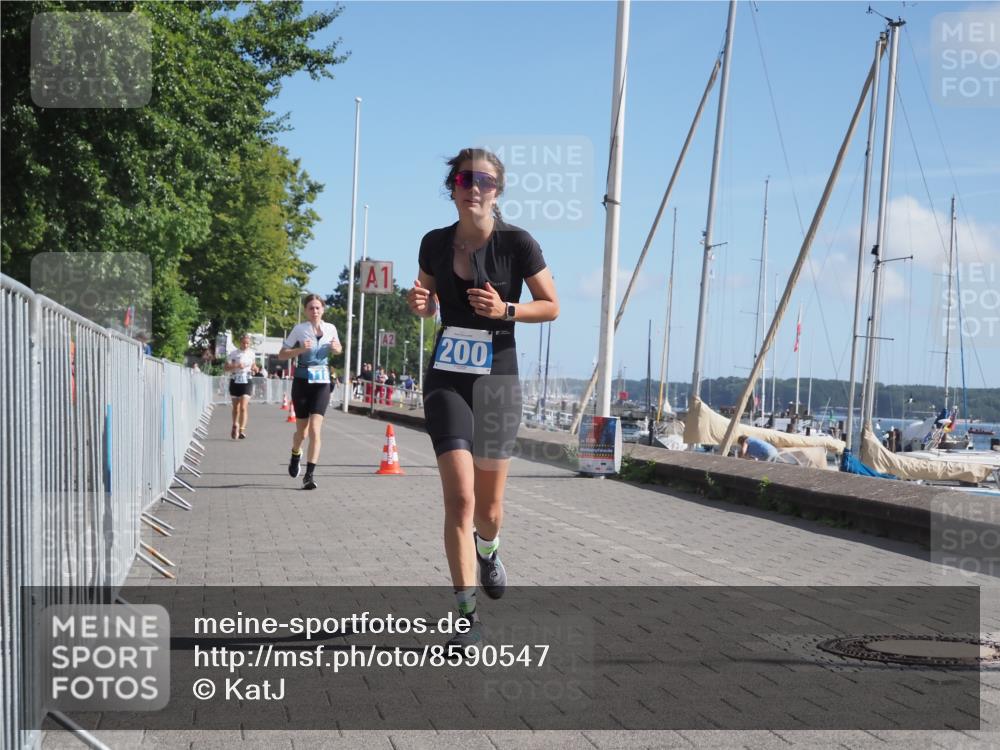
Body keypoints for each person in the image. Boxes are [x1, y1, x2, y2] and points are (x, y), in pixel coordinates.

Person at [406, 147, 559, 652]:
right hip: (447, 375)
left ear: (499, 191)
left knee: (489, 509)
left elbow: (552, 305)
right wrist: (422, 305)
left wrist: (507, 308)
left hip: (497, 378)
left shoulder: (518, 244)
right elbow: (425, 301)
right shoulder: (433, 242)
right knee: (461, 500)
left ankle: (489, 549)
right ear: (452, 186)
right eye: (466, 178)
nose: (476, 187)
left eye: (486, 181)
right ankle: (465, 613)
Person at [278, 295, 343, 490]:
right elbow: (281, 354)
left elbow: (339, 348)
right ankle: (295, 453)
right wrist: (299, 350)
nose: (315, 311)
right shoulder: (299, 329)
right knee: (302, 432)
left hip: (322, 381)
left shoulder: (330, 328)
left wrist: (335, 348)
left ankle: (309, 475)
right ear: (306, 311)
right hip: (302, 381)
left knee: (316, 429)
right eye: (311, 308)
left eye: (318, 307)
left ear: (323, 309)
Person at [224, 334, 255, 440]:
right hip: (235, 380)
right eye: (244, 343)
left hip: (247, 380)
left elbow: (254, 365)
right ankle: (235, 425)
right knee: (236, 408)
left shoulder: (252, 354)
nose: (245, 345)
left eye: (247, 343)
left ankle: (242, 430)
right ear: (240, 343)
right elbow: (226, 368)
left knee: (243, 407)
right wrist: (237, 366)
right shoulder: (233, 354)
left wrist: (255, 368)